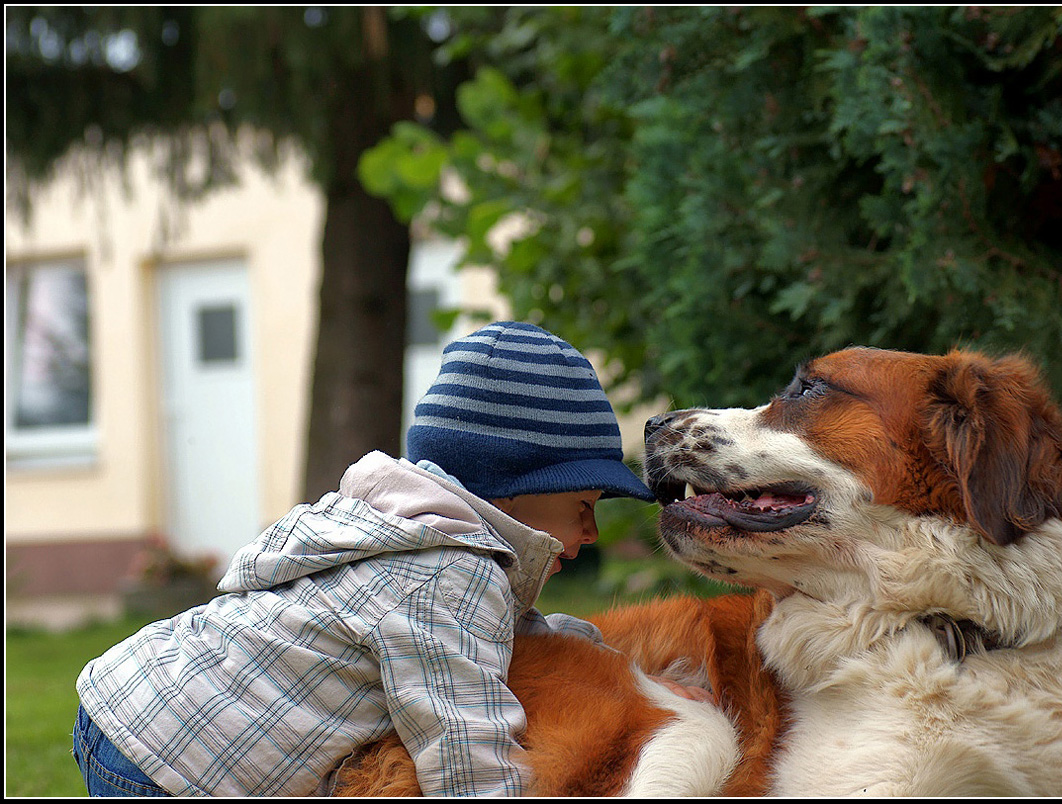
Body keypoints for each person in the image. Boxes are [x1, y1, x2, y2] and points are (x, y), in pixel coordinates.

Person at [73, 321, 686, 797]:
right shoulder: (449, 574)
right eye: (583, 500)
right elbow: (460, 741)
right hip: (173, 761)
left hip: (137, 698)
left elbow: (505, 639)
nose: (592, 530)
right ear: (510, 485)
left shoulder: (413, 539)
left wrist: (612, 661)